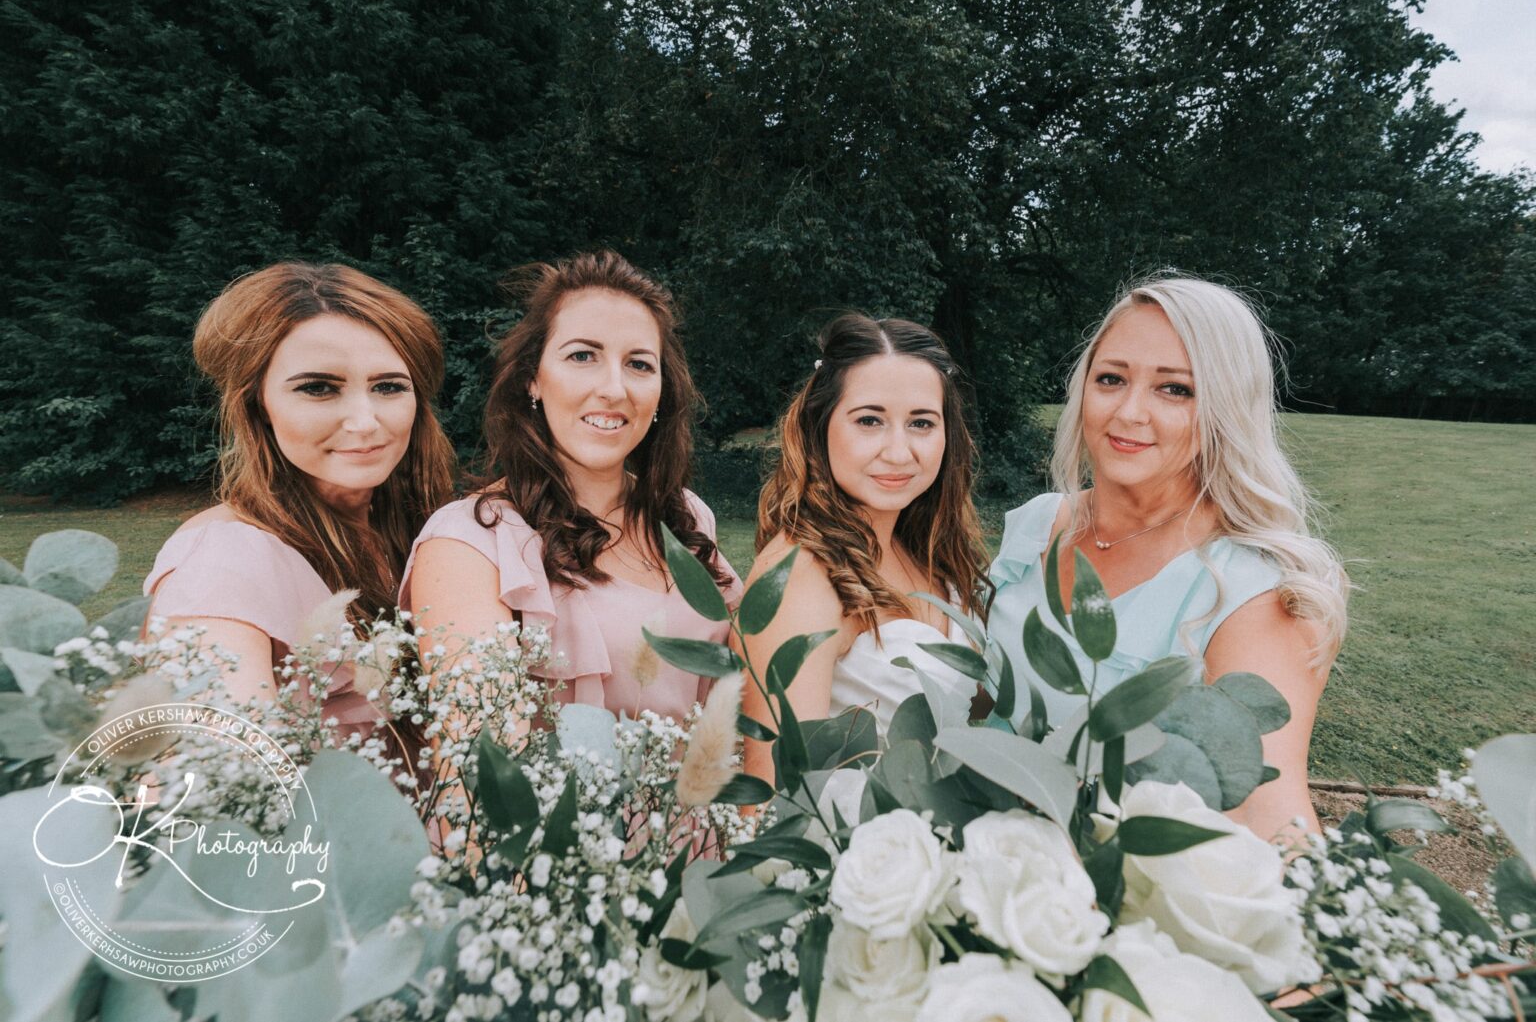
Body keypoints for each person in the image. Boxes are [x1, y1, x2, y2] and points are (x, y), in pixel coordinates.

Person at [988, 274, 1349, 842]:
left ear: (1225, 407)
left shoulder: (1254, 595)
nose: (1129, 412)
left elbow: (1268, 819)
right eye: (1111, 379)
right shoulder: (1039, 523)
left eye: (1174, 389)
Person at [402, 251, 741, 722]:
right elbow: (480, 769)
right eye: (583, 356)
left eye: (639, 364)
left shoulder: (687, 516)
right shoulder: (470, 542)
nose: (614, 388)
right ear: (532, 380)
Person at [144, 262, 457, 740]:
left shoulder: (424, 532)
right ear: (257, 406)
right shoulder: (222, 563)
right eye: (318, 388)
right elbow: (222, 782)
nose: (364, 421)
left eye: (388, 387)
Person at [738, 314, 991, 779]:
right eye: (870, 420)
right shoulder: (802, 574)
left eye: (921, 423)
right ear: (821, 424)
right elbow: (774, 794)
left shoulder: (930, 555)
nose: (898, 451)